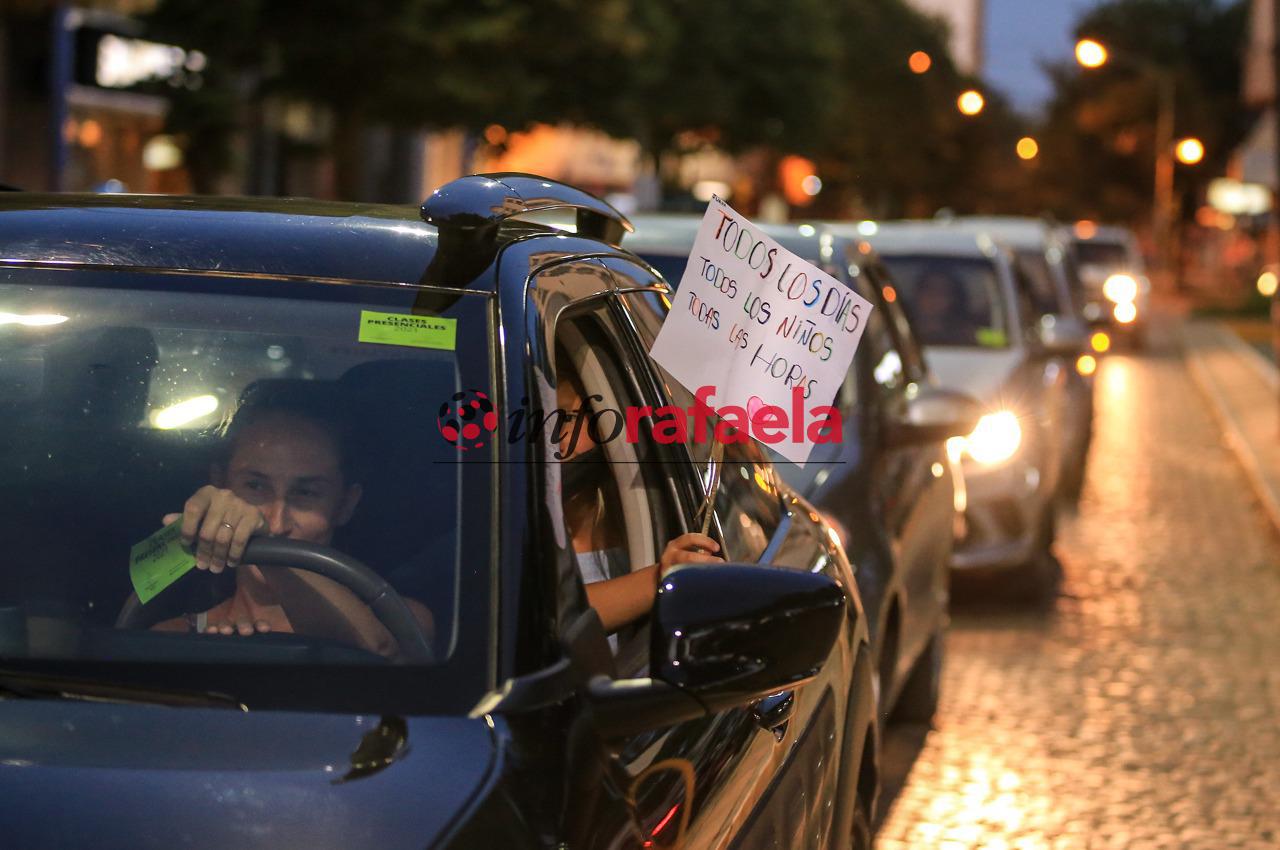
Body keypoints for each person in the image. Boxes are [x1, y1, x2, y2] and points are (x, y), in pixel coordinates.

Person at [152, 384, 432, 657]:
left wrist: (266, 552)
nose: (275, 524)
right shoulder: (171, 638)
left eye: (306, 493)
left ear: (345, 504)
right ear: (221, 486)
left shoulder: (403, 620)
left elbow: (376, 648)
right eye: (255, 487)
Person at [555, 358, 722, 634]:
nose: (557, 438)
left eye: (568, 417)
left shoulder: (643, 513)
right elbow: (546, 621)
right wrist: (659, 578)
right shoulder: (518, 531)